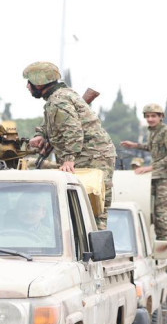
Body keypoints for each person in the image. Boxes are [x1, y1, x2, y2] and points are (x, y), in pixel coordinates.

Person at [23, 61, 116, 230]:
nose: (27, 87)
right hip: (92, 154)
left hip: (91, 156)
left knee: (92, 209)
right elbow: (54, 122)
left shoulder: (58, 100)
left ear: (39, 83)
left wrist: (68, 159)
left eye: (29, 82)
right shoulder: (61, 96)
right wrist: (41, 135)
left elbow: (73, 129)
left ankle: (94, 251)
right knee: (80, 209)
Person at [120, 103, 167, 250]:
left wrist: (150, 167)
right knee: (150, 208)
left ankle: (163, 246)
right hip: (157, 174)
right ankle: (153, 242)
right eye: (147, 116)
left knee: (162, 211)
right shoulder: (153, 132)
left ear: (161, 117)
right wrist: (135, 145)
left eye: (153, 116)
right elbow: (152, 147)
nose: (150, 119)